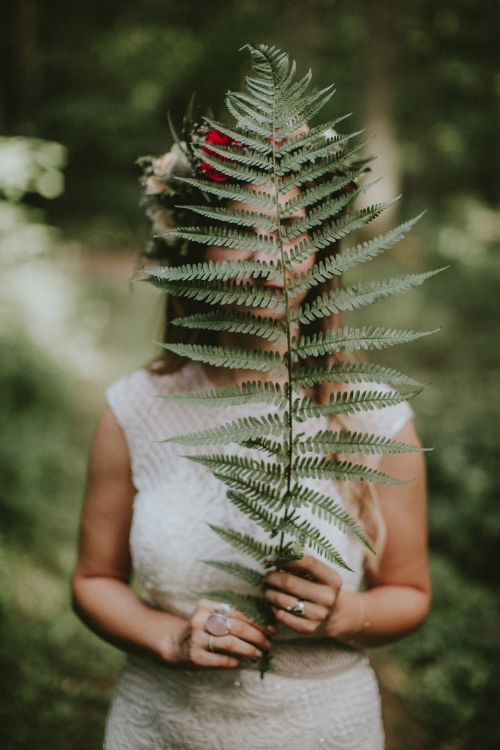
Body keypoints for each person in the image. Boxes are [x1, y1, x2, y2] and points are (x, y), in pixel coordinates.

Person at [72, 122, 431, 750]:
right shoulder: (136, 408)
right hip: (162, 727)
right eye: (240, 231)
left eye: (289, 230)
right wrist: (171, 636)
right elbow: (92, 581)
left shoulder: (372, 414)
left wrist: (348, 613)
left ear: (319, 251)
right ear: (195, 248)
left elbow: (409, 592)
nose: (269, 254)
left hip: (328, 728)